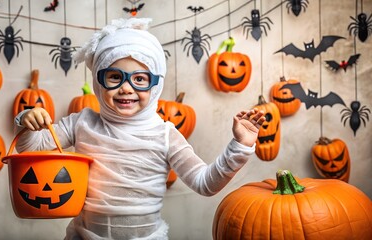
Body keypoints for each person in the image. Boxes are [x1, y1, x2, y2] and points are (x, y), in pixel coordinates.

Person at [14, 18, 265, 240]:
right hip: (85, 234)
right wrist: (28, 120)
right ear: (98, 81)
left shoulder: (165, 134)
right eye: (114, 77)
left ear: (155, 85)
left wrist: (239, 147)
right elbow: (30, 148)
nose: (126, 88)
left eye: (140, 80)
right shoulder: (82, 122)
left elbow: (205, 183)